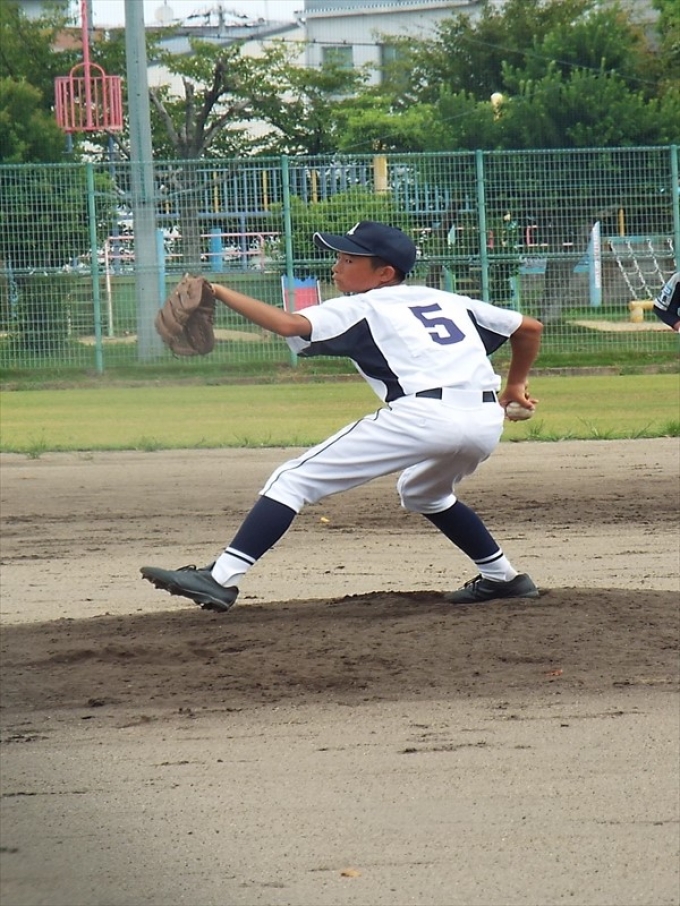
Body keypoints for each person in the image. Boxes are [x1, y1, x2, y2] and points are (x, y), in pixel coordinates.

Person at [141, 220, 543, 612]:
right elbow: (528, 328)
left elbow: (289, 325)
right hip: (483, 420)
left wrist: (220, 291)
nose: (337, 266)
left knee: (293, 479)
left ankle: (220, 577)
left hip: (424, 417)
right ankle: (503, 578)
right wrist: (515, 385)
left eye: (350, 260)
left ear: (384, 273)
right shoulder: (447, 301)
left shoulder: (363, 306)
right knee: (425, 493)